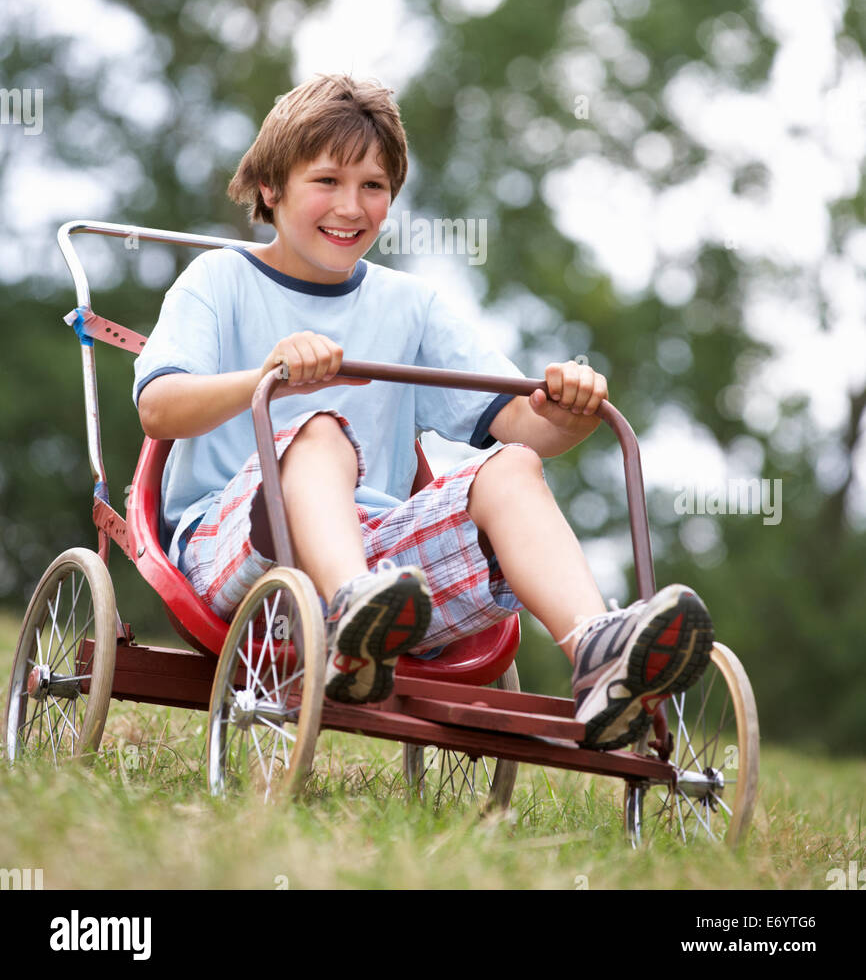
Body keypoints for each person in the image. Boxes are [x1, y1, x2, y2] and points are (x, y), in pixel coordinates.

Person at [134, 73, 713, 749]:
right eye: (326, 181)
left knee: (514, 468)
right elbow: (158, 409)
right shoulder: (219, 278)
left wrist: (570, 412)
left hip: (384, 568)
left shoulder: (412, 306)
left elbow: (523, 424)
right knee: (319, 432)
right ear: (271, 187)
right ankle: (352, 606)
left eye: (373, 187)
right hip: (231, 544)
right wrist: (267, 377)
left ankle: (597, 651)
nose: (351, 208)